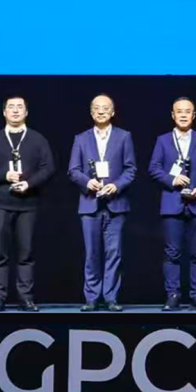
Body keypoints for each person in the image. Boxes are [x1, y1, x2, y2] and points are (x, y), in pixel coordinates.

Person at [0, 95, 55, 311]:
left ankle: (26, 298)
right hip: (0, 203)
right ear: (4, 112)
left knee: (26, 254)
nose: (15, 110)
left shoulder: (37, 139)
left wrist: (29, 183)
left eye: (20, 107)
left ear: (26, 112)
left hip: (28, 204)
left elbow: (48, 168)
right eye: (11, 107)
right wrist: (5, 175)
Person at [148, 97, 196, 311]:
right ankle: (173, 295)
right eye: (179, 111)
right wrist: (172, 179)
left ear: (193, 115)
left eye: (187, 111)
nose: (183, 115)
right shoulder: (163, 140)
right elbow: (154, 168)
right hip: (172, 202)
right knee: (172, 253)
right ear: (173, 115)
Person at [67, 94, 136, 311]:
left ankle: (111, 297)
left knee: (114, 254)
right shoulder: (81, 138)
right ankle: (91, 297)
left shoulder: (124, 136)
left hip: (116, 203)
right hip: (90, 203)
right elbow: (73, 170)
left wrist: (116, 185)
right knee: (92, 254)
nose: (101, 111)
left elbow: (130, 169)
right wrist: (87, 182)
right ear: (91, 112)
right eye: (96, 108)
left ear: (113, 112)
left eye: (105, 108)